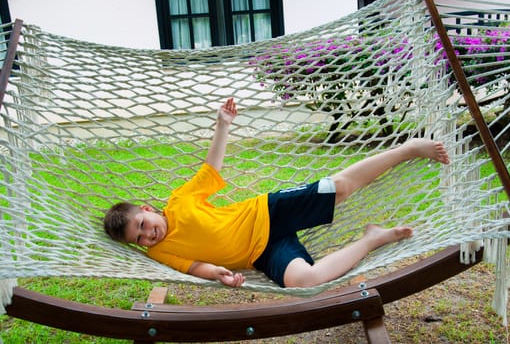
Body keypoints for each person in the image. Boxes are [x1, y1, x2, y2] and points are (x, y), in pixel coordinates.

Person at [104, 98, 450, 288]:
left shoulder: (179, 202)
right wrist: (219, 274)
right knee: (305, 280)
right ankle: (372, 238)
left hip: (268, 212)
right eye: (141, 239)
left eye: (143, 224)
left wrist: (222, 125)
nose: (149, 234)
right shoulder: (160, 253)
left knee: (339, 188)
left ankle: (407, 149)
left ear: (148, 208)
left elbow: (211, 169)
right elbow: (194, 266)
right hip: (261, 253)